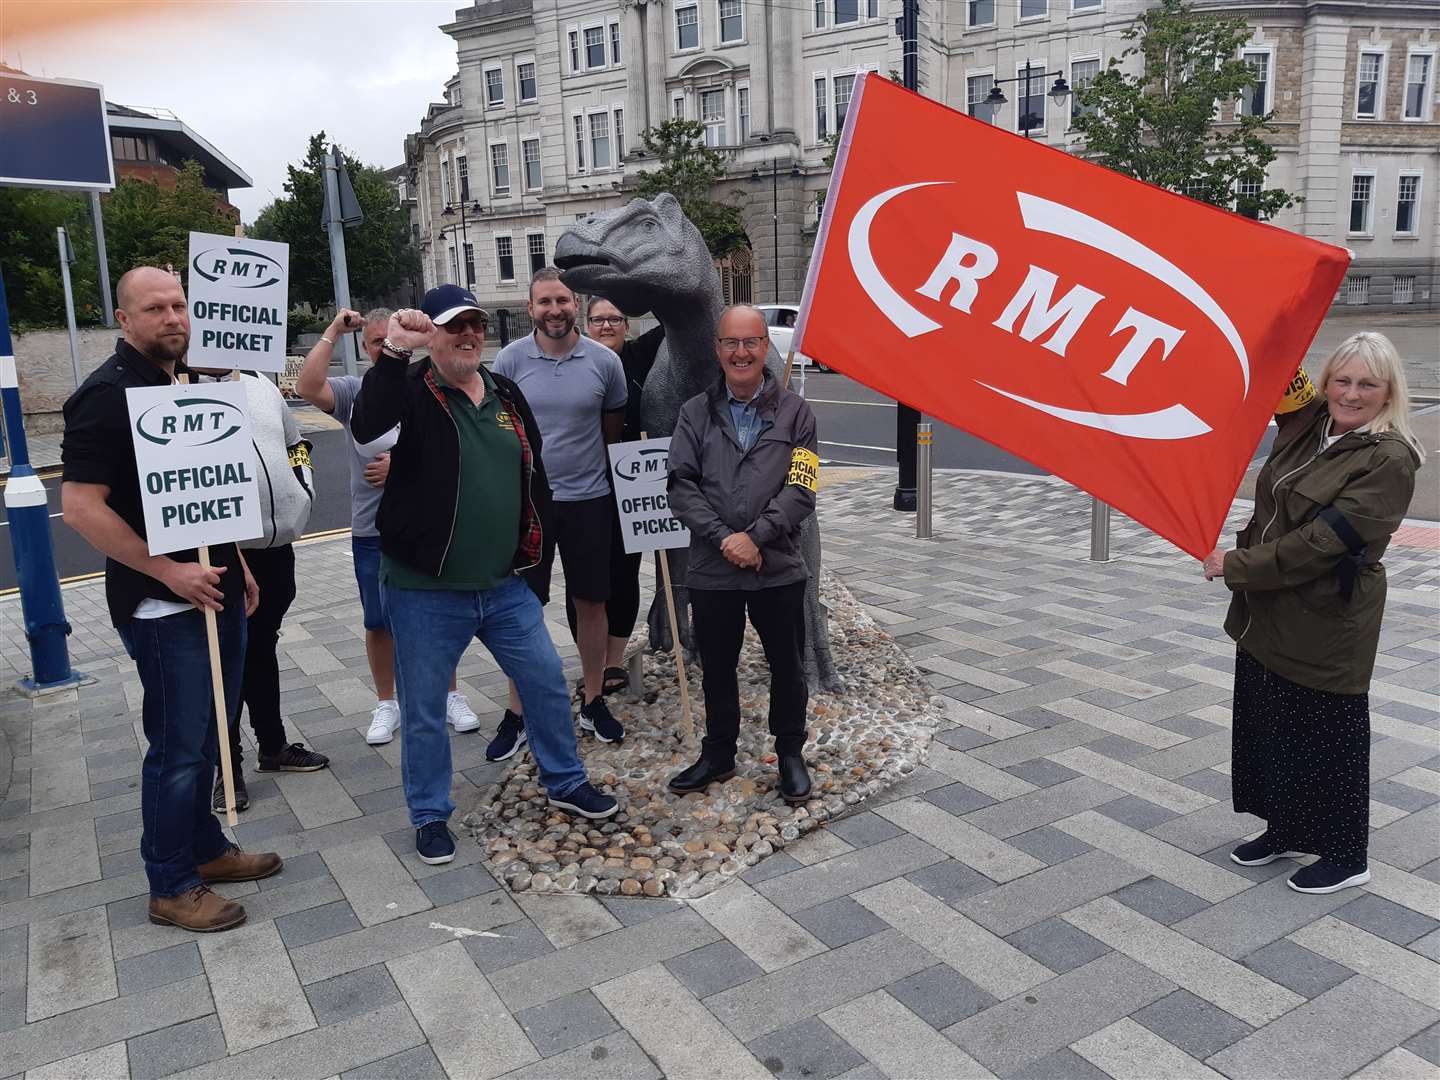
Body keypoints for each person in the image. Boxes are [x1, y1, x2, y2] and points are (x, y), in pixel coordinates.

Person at [350, 285, 618, 865]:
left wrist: (533, 548)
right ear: (433, 337)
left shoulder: (504, 392)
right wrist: (395, 350)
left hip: (502, 585)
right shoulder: (412, 391)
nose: (468, 335)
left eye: (474, 325)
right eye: (453, 327)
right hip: (426, 589)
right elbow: (369, 428)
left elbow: (534, 475)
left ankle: (565, 779)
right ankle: (428, 812)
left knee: (546, 680)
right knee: (423, 709)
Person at [61, 267, 283, 933]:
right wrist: (167, 572)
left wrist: (235, 561)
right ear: (123, 319)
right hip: (163, 606)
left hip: (214, 588)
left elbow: (202, 494)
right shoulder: (104, 396)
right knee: (179, 747)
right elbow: (79, 508)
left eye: (179, 304)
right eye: (154, 308)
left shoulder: (181, 383)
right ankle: (170, 882)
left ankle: (207, 851)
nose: (172, 317)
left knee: (211, 733)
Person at [1204, 332, 1424, 894]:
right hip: (1268, 610)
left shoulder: (1390, 458)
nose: (1351, 394)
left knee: (1328, 735)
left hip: (1327, 617)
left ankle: (1348, 854)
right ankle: (1287, 828)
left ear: (1388, 391)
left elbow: (1322, 544)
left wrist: (1236, 563)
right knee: (1272, 725)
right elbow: (1280, 368)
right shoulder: (1309, 422)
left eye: (1367, 384)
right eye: (1341, 380)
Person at [295, 308, 479, 746]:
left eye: (391, 340)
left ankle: (450, 694)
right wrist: (334, 331)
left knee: (435, 615)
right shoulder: (356, 390)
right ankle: (386, 702)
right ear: (366, 347)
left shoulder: (425, 387)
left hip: (423, 523)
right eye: (377, 343)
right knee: (378, 621)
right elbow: (305, 387)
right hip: (371, 529)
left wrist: (403, 465)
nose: (385, 349)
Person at [666, 304, 819, 804]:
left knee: (787, 664)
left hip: (778, 567)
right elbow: (681, 486)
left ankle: (791, 752)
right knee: (716, 665)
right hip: (713, 568)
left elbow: (802, 490)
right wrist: (725, 539)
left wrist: (757, 537)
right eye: (731, 343)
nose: (741, 352)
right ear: (718, 349)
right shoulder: (694, 413)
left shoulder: (797, 413)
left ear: (765, 348)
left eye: (751, 342)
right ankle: (718, 754)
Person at [490, 269, 628, 759]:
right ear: (530, 309)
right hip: (529, 504)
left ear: (577, 304)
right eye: (545, 301)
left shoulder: (604, 362)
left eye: (563, 300)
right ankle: (517, 709)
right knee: (520, 610)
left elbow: (612, 434)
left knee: (592, 602)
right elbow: (499, 434)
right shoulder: (508, 360)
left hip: (590, 502)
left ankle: (593, 699)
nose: (555, 309)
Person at [197, 369, 329, 812]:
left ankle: (272, 747)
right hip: (224, 551)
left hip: (276, 545)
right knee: (225, 659)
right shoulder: (182, 390)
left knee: (261, 648)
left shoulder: (261, 383)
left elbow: (296, 446)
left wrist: (303, 488)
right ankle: (226, 770)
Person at [577, 297, 665, 697]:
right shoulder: (576, 359)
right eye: (598, 320)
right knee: (585, 576)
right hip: (584, 479)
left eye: (615, 318)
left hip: (634, 476)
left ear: (627, 325)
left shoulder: (642, 355)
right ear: (586, 324)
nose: (606, 326)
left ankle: (613, 661)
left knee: (624, 570)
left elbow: (674, 316)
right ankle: (589, 663)